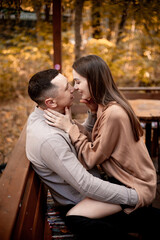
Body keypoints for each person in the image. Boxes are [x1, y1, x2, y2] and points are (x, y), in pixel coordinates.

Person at [44, 55, 160, 239]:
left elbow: (91, 158)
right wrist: (91, 114)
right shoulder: (106, 107)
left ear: (93, 81)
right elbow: (95, 140)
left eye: (78, 81)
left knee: (76, 218)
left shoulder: (113, 113)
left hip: (133, 187)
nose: (75, 88)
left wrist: (70, 128)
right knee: (83, 213)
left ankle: (147, 219)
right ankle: (148, 220)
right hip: (122, 181)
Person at [26, 69, 139, 240]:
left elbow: (85, 136)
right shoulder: (49, 139)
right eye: (66, 88)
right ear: (50, 102)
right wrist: (135, 196)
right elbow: (86, 185)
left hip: (94, 190)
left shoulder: (51, 114)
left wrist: (92, 113)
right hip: (83, 204)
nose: (73, 88)